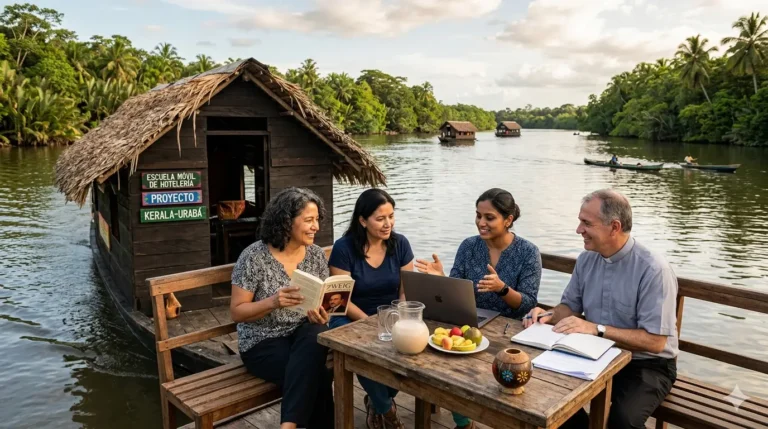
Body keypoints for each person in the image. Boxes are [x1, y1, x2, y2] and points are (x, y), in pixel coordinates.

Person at [524, 189, 678, 429]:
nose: (578, 230)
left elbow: (656, 342)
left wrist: (597, 329)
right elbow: (570, 307)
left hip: (647, 365)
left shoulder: (653, 269)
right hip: (595, 353)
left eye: (586, 223)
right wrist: (547, 315)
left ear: (614, 227)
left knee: (622, 421)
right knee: (543, 394)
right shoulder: (587, 259)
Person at [415, 188, 542, 429]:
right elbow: (455, 290)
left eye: (489, 217)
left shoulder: (528, 252)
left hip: (508, 332)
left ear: (508, 220)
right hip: (469, 324)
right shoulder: (468, 246)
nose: (481, 223)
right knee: (440, 360)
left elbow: (527, 303)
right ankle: (465, 423)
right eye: (478, 216)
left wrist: (502, 289)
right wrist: (440, 277)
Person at [230, 187, 333, 429]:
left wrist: (323, 313)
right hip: (262, 341)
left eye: (317, 219)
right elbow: (236, 312)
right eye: (308, 220)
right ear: (286, 222)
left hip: (302, 336)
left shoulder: (316, 256)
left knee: (316, 331)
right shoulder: (254, 257)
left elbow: (321, 305)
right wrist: (273, 302)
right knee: (320, 375)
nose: (316, 226)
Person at [328, 188, 414, 429]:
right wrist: (370, 321)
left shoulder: (400, 244)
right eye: (380, 218)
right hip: (349, 316)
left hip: (391, 315)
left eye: (391, 216)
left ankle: (376, 402)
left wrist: (398, 317)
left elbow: (407, 290)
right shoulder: (344, 248)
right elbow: (339, 300)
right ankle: (388, 412)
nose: (388, 224)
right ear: (363, 220)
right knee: (361, 349)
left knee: (410, 347)